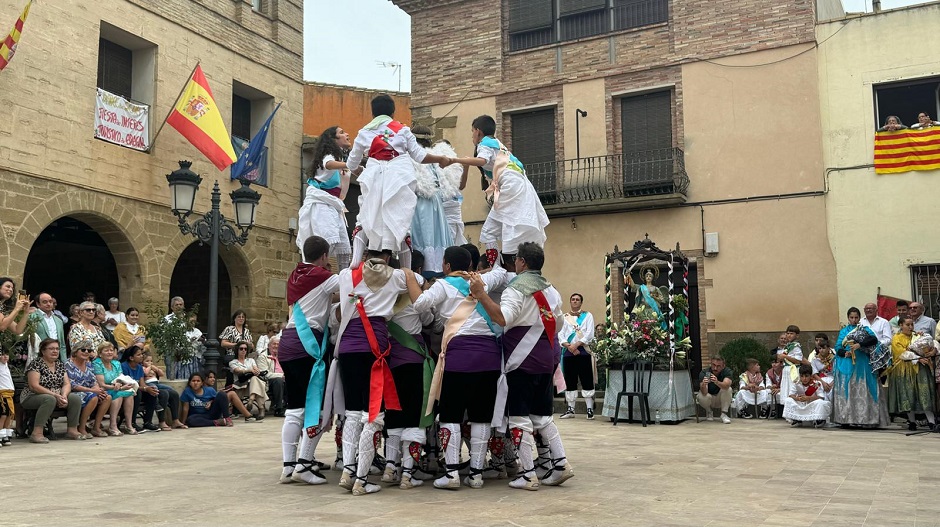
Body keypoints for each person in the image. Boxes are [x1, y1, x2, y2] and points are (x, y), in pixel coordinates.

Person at [470, 241, 574, 490]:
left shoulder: (515, 289)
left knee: (519, 417)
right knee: (543, 416)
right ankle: (560, 464)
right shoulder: (551, 290)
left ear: (522, 262)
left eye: (516, 258)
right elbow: (558, 325)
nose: (514, 262)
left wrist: (481, 294)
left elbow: (502, 318)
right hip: (545, 359)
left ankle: (528, 474)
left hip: (521, 359)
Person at [407, 245, 508, 490]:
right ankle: (476, 475)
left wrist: (409, 277)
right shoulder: (481, 280)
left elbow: (420, 304)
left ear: (447, 266)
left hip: (460, 356)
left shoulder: (442, 285)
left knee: (451, 414)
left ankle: (451, 474)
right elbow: (502, 272)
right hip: (489, 356)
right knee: (481, 416)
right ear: (470, 265)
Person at [336, 248, 412, 496]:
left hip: (348, 346)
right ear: (388, 256)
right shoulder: (397, 277)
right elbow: (415, 278)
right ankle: (362, 479)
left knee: (352, 411)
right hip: (374, 348)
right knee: (374, 414)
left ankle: (348, 471)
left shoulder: (347, 274)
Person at [344, 94, 450, 268]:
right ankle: (406, 271)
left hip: (374, 178)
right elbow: (419, 155)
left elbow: (351, 163)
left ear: (372, 113)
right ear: (393, 112)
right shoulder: (402, 130)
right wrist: (440, 159)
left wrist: (363, 172)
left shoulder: (363, 132)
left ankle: (354, 264)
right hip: (398, 178)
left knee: (365, 218)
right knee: (401, 221)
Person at [442, 115, 549, 267]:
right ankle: (505, 265)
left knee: (489, 232)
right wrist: (465, 164)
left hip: (510, 186)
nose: (472, 135)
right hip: (520, 187)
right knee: (502, 230)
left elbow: (482, 161)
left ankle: (497, 268)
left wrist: (456, 160)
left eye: (472, 131)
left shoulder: (484, 144)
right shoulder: (499, 146)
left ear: (478, 131)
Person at [278, 236, 339, 485]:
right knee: (315, 405)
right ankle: (304, 465)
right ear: (324, 256)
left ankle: (288, 466)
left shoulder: (295, 275)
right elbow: (349, 287)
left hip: (288, 343)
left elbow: (322, 299)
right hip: (308, 345)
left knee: (294, 408)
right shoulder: (323, 277)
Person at [382, 257, 436, 489]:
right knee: (414, 416)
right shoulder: (414, 298)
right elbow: (429, 319)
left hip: (392, 361)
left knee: (394, 415)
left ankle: (390, 467)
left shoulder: (383, 298)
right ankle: (407, 472)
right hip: (414, 361)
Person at [297, 125, 353, 270]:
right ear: (333, 140)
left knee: (342, 248)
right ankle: (318, 272)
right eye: (341, 132)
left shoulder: (340, 158)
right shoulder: (329, 156)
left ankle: (341, 278)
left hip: (333, 206)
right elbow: (327, 164)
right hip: (322, 205)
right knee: (326, 243)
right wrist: (349, 164)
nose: (347, 134)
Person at [409, 125, 456, 274]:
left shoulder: (412, 157)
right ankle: (436, 266)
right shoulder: (436, 157)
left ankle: (424, 267)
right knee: (435, 234)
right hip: (435, 203)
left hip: (419, 202)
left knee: (422, 233)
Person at [833, 307, 890, 428]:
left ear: (859, 318)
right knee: (848, 390)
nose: (854, 320)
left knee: (864, 388)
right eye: (851, 317)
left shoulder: (864, 329)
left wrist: (860, 344)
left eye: (856, 317)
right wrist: (845, 353)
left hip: (863, 363)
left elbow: (873, 339)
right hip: (847, 364)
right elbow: (838, 347)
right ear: (848, 318)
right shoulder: (843, 331)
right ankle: (847, 419)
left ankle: (867, 419)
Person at [20, 338, 83, 442]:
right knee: (49, 399)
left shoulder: (59, 364)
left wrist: (63, 396)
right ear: (43, 351)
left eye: (57, 349)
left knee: (75, 398)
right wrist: (55, 395)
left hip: (56, 395)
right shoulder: (36, 363)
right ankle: (37, 433)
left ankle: (72, 430)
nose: (55, 351)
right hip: (31, 396)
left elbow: (67, 383)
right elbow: (34, 386)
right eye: (51, 349)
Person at [887, 316, 937, 431]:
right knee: (908, 395)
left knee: (924, 394)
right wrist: (918, 358)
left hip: (920, 369)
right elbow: (901, 353)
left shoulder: (917, 336)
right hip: (905, 370)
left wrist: (931, 350)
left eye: (912, 325)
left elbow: (929, 345)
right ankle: (912, 421)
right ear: (901, 325)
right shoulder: (896, 338)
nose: (910, 327)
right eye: (907, 325)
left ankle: (931, 422)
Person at [557, 293, 596, 419]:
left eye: (577, 299)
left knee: (586, 379)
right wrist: (570, 346)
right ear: (570, 302)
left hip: (583, 351)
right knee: (570, 380)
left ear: (581, 302)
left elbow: (590, 333)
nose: (575, 301)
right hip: (568, 352)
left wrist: (577, 344)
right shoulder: (564, 317)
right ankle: (570, 410)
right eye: (573, 299)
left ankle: (589, 410)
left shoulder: (588, 316)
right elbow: (560, 334)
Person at [66, 339, 112, 438]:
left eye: (89, 350)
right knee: (93, 397)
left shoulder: (89, 364)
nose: (86, 352)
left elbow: (93, 381)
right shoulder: (68, 364)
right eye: (83, 350)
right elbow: (72, 385)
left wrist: (98, 390)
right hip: (74, 393)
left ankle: (96, 427)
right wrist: (93, 391)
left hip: (89, 392)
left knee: (107, 397)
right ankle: (82, 427)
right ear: (75, 351)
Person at [92, 341, 136, 436]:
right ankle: (113, 425)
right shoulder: (97, 363)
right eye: (106, 350)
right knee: (119, 395)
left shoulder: (116, 363)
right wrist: (118, 388)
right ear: (100, 353)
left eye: (111, 350)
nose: (109, 352)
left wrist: (120, 384)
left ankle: (128, 425)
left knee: (129, 394)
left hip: (115, 387)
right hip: (103, 389)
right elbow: (102, 384)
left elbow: (120, 378)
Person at [121, 344, 160, 433]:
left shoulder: (139, 367)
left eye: (141, 354)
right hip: (127, 390)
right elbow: (126, 383)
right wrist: (145, 389)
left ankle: (148, 422)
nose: (142, 356)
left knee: (152, 391)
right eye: (138, 355)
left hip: (138, 389)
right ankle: (132, 422)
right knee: (138, 392)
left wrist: (148, 389)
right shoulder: (124, 366)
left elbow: (142, 384)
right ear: (131, 358)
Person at [142, 352, 185, 430]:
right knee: (163, 393)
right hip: (148, 385)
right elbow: (145, 374)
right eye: (147, 361)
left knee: (173, 392)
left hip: (157, 384)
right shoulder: (142, 368)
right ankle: (161, 420)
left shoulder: (152, 368)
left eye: (151, 361)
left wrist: (157, 369)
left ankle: (175, 420)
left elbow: (161, 374)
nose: (150, 363)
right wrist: (150, 367)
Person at [229, 342, 267, 419]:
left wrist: (256, 371)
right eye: (241, 349)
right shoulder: (233, 362)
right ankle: (261, 409)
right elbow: (237, 370)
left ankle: (251, 399)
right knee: (257, 384)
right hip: (240, 386)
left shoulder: (251, 360)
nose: (243, 350)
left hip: (251, 386)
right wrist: (249, 370)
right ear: (237, 350)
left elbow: (256, 369)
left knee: (254, 379)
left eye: (245, 349)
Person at [29, 292, 66, 362]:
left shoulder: (59, 320)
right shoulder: (32, 317)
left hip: (56, 358)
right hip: (38, 356)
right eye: (45, 302)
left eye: (50, 301)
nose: (48, 304)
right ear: (38, 304)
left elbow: (62, 344)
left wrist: (64, 361)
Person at [219, 309, 252, 386]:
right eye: (239, 317)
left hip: (244, 356)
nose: (241, 318)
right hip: (232, 355)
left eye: (243, 317)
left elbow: (251, 344)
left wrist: (249, 345)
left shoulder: (246, 331)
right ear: (235, 318)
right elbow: (223, 343)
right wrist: (237, 345)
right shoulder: (230, 329)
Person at [697, 356, 733, 423]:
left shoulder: (727, 371)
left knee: (728, 389)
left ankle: (724, 414)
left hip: (720, 398)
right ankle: (709, 411)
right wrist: (704, 384)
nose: (715, 368)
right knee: (702, 396)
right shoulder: (705, 372)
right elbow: (704, 393)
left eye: (718, 366)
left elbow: (726, 385)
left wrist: (717, 382)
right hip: (710, 398)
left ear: (723, 366)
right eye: (713, 365)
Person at [256, 334, 285, 417]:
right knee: (278, 380)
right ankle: (278, 409)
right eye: (274, 344)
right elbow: (264, 374)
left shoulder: (282, 356)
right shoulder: (263, 356)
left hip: (282, 379)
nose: (276, 346)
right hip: (267, 382)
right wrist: (281, 376)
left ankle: (292, 408)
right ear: (269, 345)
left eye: (278, 344)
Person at [777, 325, 804, 402]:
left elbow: (798, 360)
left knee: (792, 388)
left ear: (797, 335)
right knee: (786, 389)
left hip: (793, 371)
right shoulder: (788, 345)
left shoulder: (796, 346)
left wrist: (785, 357)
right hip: (786, 370)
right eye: (788, 333)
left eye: (791, 333)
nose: (789, 335)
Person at [0, 349, 16, 445]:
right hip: (2, 394)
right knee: (3, 415)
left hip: (10, 393)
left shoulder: (6, 366)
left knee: (9, 415)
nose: (5, 357)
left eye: (7, 355)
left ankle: (5, 434)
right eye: (2, 355)